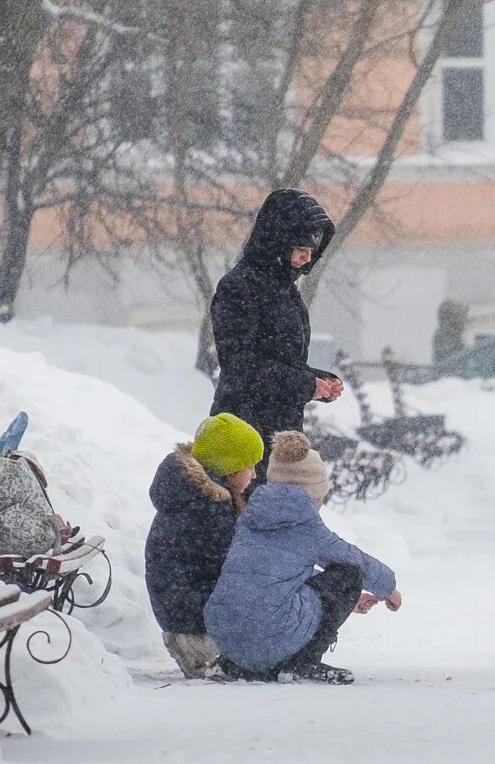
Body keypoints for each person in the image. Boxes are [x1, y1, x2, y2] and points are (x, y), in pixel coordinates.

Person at [205, 431, 400, 684]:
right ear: (314, 493)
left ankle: (233, 664)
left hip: (225, 630)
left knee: (253, 596)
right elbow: (355, 561)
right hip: (270, 630)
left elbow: (276, 575)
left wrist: (349, 603)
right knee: (348, 576)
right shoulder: (307, 524)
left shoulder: (250, 516)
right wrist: (389, 587)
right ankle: (303, 664)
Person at [209, 189, 343, 454]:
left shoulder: (285, 290)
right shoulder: (239, 288)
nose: (307, 258)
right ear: (278, 244)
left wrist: (317, 381)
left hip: (279, 432)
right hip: (244, 433)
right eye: (300, 249)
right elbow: (241, 366)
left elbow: (281, 360)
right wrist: (304, 385)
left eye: (311, 252)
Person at [144, 413, 263, 679]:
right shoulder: (210, 508)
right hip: (197, 622)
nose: (255, 475)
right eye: (250, 465)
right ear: (230, 467)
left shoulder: (190, 496)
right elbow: (235, 568)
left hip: (181, 615)